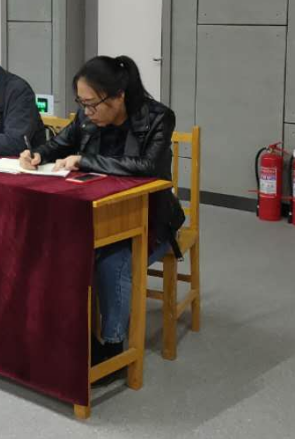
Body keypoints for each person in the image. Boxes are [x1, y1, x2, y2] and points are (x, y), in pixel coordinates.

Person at [20, 56, 185, 364]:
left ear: (118, 96)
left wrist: (85, 160)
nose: (86, 112)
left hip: (151, 218)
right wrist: (37, 154)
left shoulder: (158, 117)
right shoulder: (87, 119)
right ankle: (61, 332)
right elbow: (58, 145)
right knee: (53, 246)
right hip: (95, 213)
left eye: (92, 104)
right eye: (82, 104)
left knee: (113, 258)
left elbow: (147, 166)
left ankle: (112, 346)